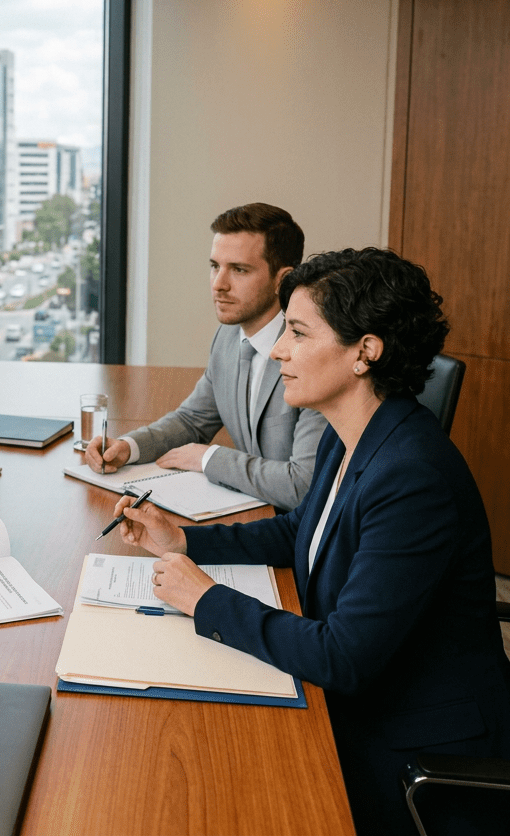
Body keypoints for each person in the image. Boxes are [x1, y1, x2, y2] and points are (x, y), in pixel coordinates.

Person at [115, 247, 510, 835]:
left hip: (415, 745)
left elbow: (342, 656)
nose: (277, 349)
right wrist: (186, 543)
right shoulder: (349, 433)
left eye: (297, 333)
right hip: (363, 697)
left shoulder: (412, 475)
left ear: (365, 352)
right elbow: (302, 531)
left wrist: (205, 600)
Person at [86, 202, 326, 509]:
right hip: (255, 511)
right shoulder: (228, 336)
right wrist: (128, 447)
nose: (218, 285)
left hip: (301, 533)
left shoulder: (311, 354)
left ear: (283, 279)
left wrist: (209, 458)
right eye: (215, 266)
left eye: (239, 270)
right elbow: (192, 420)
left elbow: (303, 486)